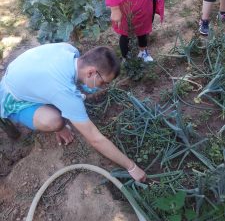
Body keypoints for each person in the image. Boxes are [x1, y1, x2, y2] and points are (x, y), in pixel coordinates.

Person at [0, 43, 146, 182]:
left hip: (26, 78)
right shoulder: (64, 91)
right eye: (103, 82)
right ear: (91, 72)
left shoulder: (70, 50)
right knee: (55, 121)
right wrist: (131, 167)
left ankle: (48, 105)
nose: (102, 87)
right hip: (13, 97)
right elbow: (95, 139)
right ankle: (55, 124)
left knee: (61, 99)